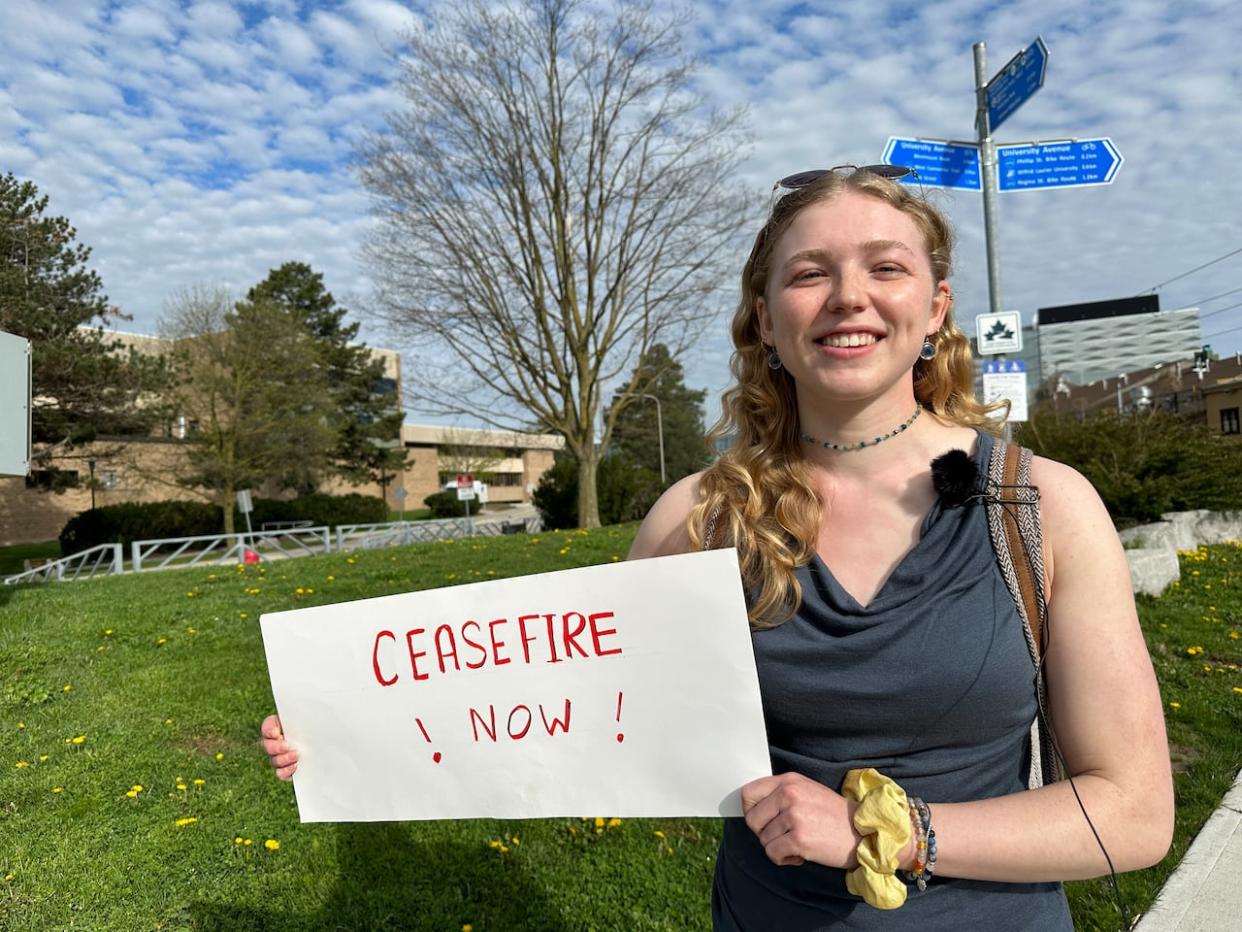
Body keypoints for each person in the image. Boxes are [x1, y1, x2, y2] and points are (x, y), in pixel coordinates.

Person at [262, 165, 1173, 929]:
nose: (848, 295)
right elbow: (562, 712)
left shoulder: (1042, 509)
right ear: (768, 320)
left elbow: (1135, 815)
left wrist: (897, 835)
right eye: (809, 273)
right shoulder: (698, 517)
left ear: (933, 309)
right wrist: (350, 728)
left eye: (884, 268)